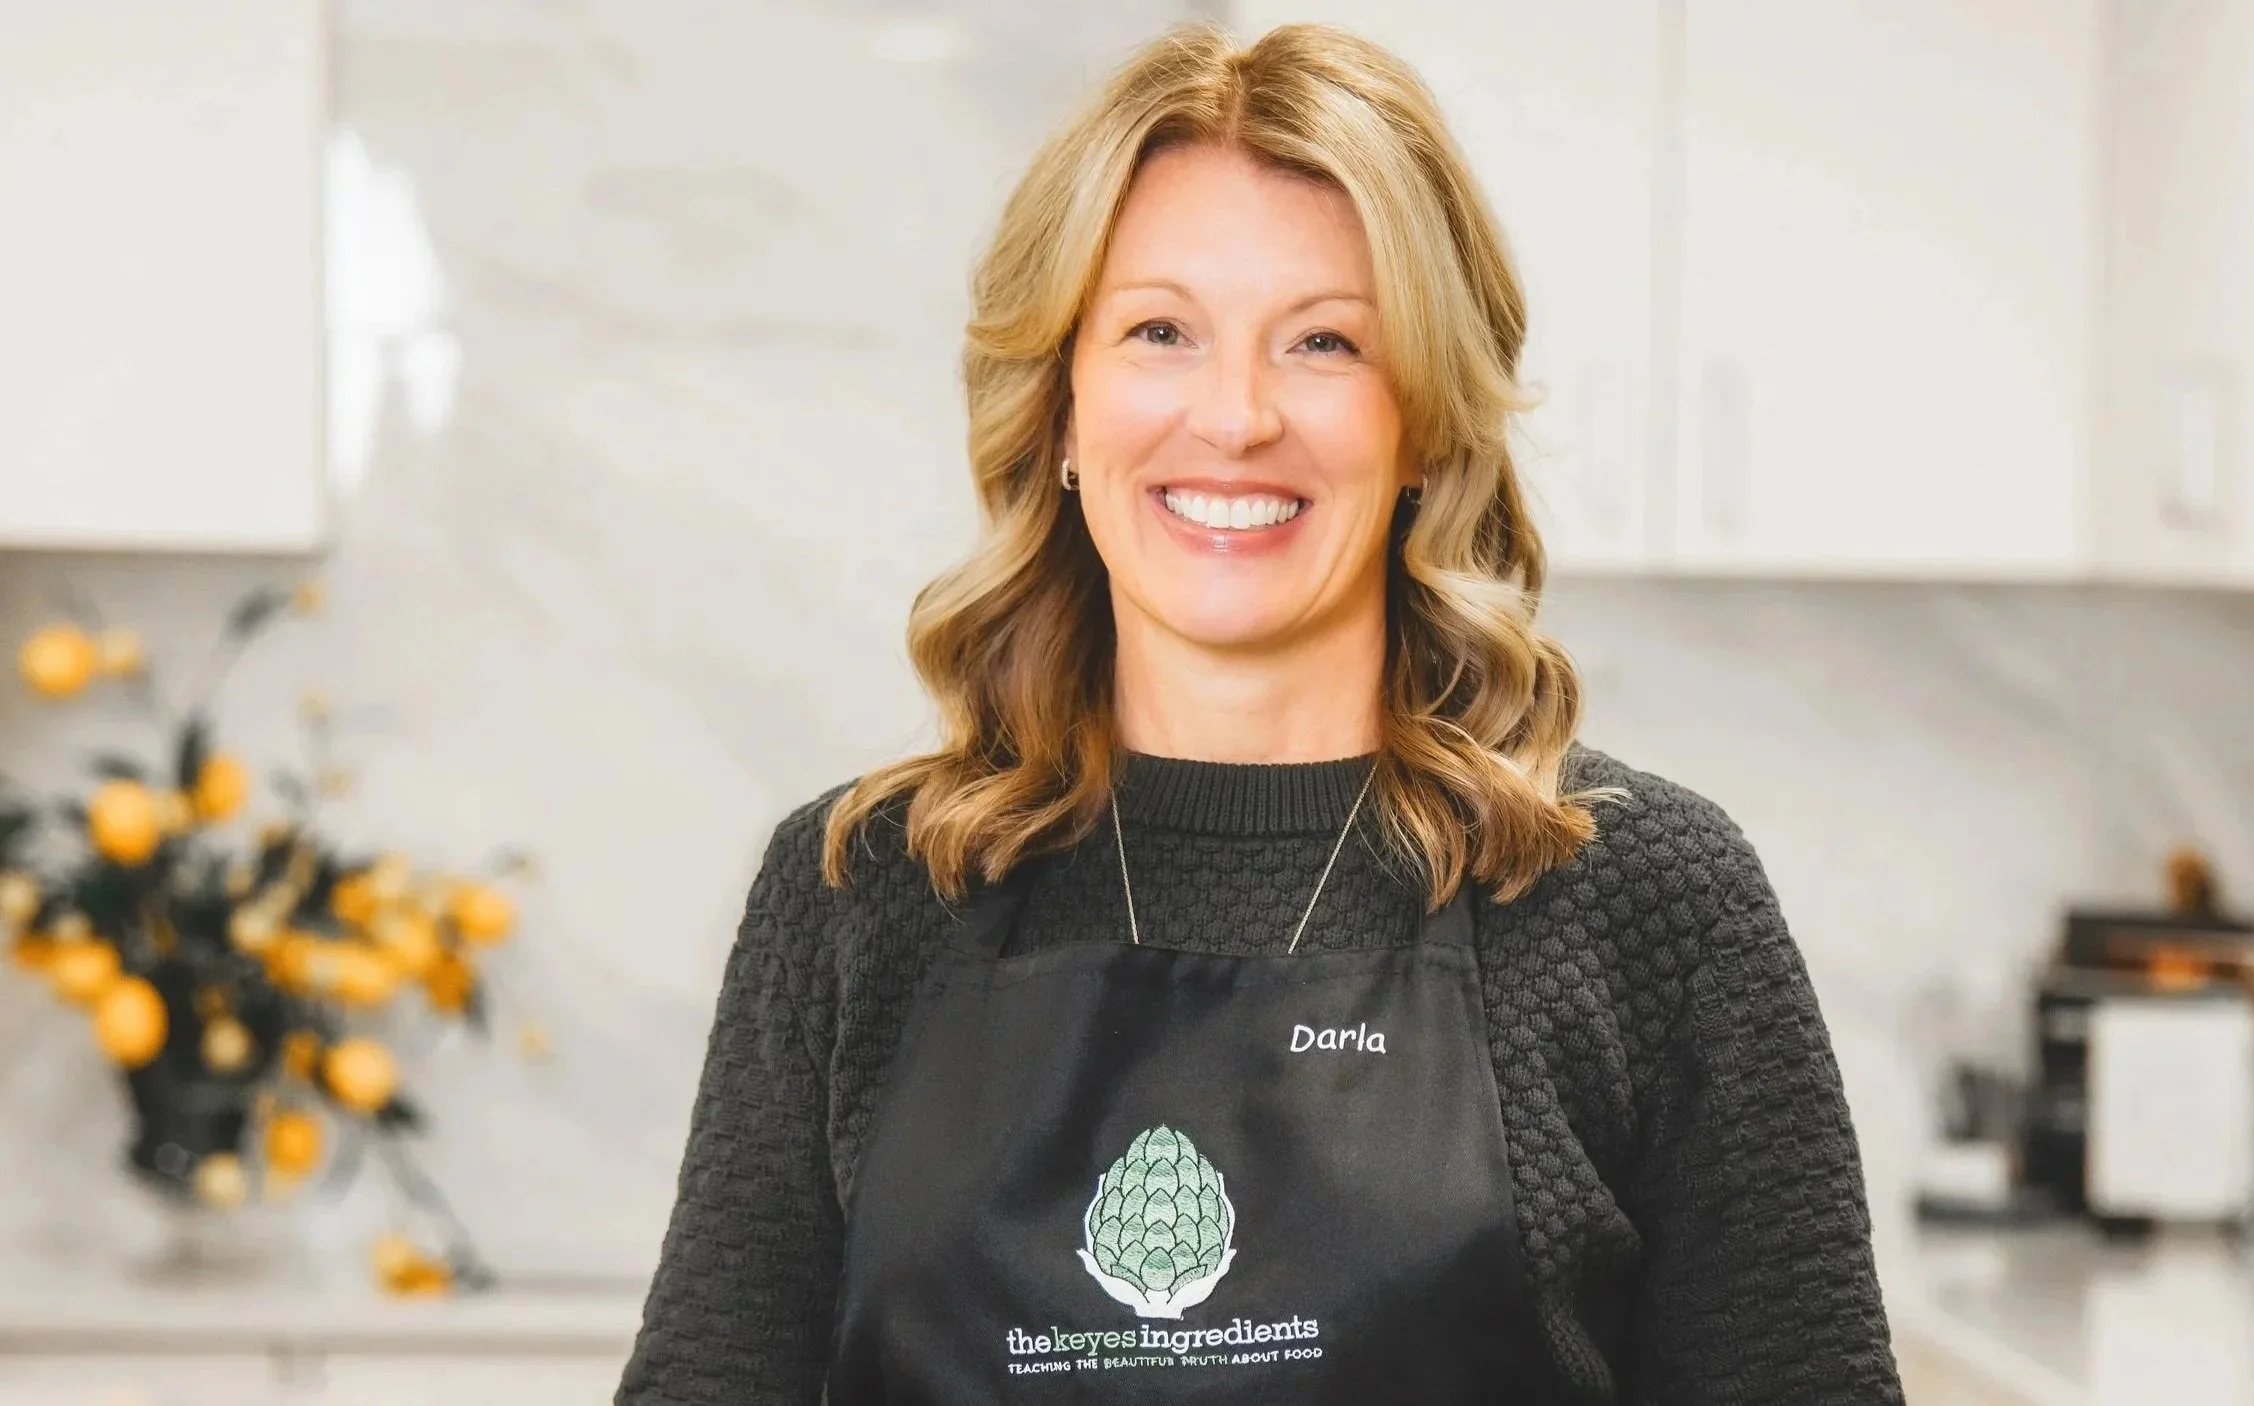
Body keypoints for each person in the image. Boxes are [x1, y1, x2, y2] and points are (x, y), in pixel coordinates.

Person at [618, 20, 1898, 1405]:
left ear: (1420, 419)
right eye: (1160, 330)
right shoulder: (861, 896)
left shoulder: (1645, 905)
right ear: (1058, 404)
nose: (1234, 417)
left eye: (1325, 342)